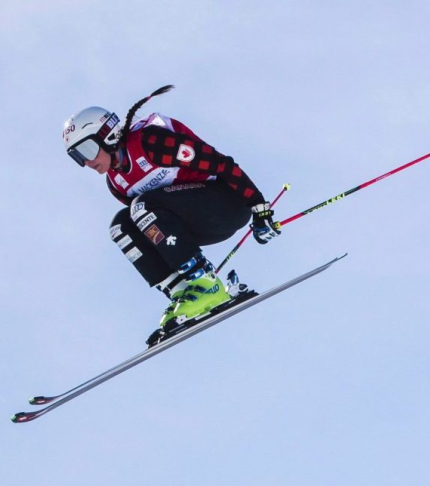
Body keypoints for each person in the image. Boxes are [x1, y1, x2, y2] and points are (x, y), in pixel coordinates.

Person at [62, 85, 281, 332]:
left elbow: (220, 164)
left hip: (227, 204)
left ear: (107, 135)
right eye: (77, 157)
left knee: (142, 205)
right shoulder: (117, 183)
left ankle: (206, 284)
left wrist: (260, 209)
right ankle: (184, 291)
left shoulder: (150, 142)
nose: (87, 162)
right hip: (195, 224)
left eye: (87, 150)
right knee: (121, 225)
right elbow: (150, 227)